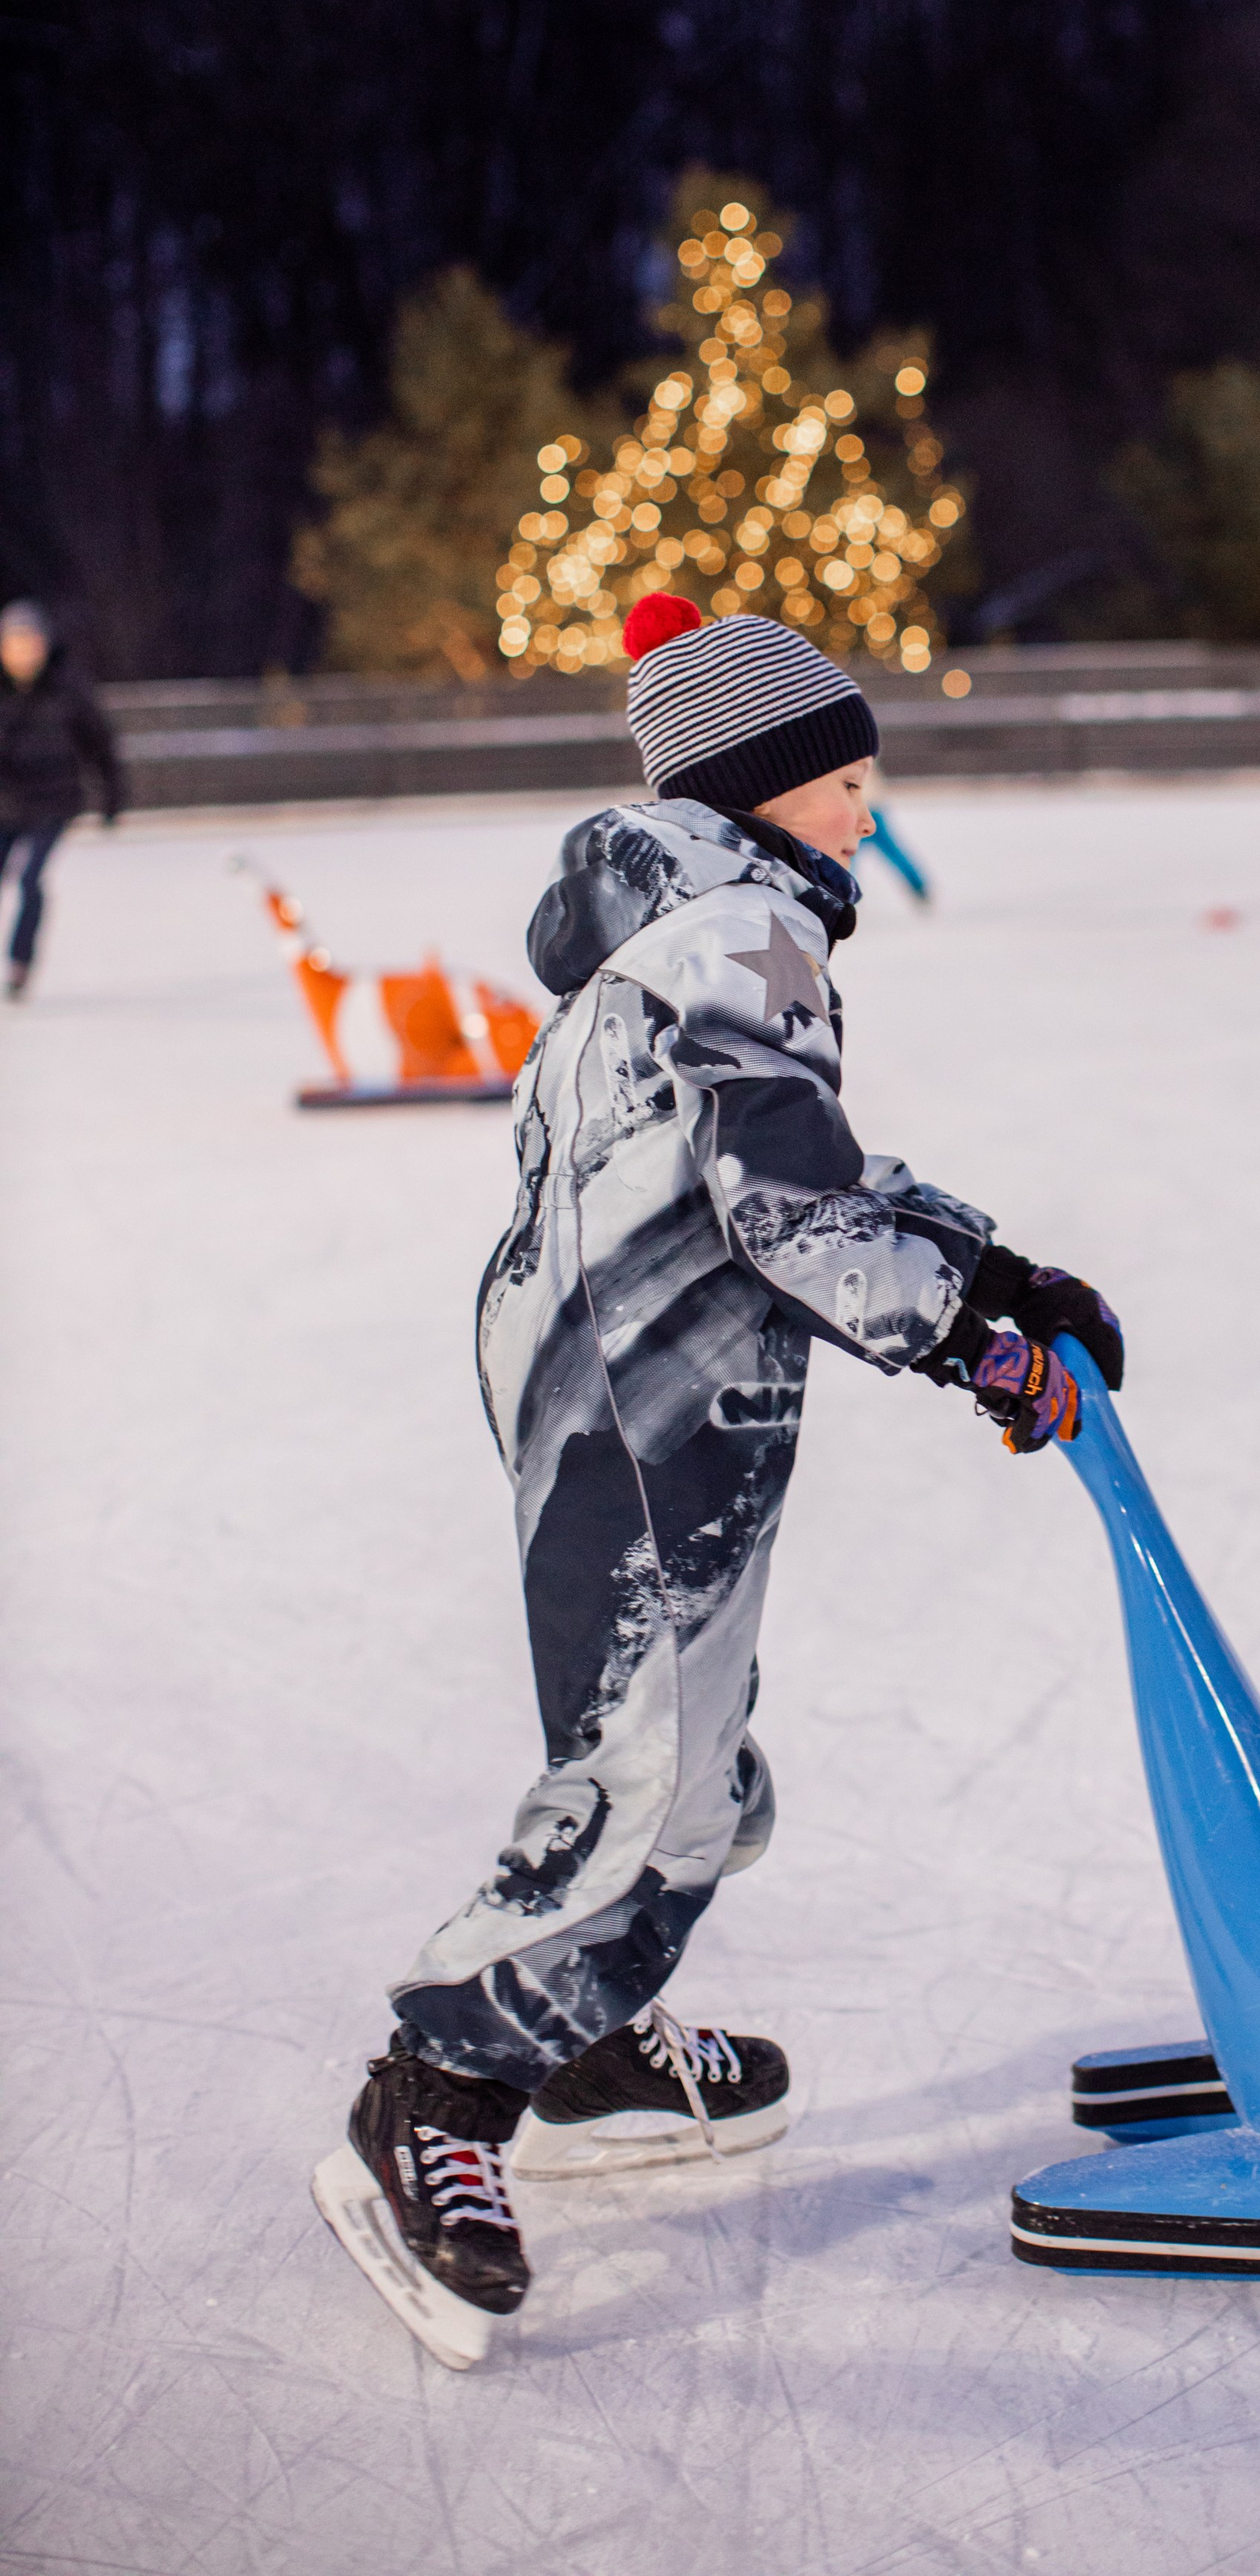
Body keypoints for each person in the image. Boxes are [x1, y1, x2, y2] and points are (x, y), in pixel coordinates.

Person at [314, 593, 1124, 2368]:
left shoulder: (669, 925)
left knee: (688, 1747)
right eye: (843, 776)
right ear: (761, 786)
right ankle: (440, 2085)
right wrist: (977, 1350)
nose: (864, 805)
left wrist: (985, 1267)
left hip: (604, 1371)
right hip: (651, 1386)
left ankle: (588, 2025)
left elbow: (788, 1163)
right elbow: (788, 1215)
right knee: (647, 1762)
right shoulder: (748, 928)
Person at [0, 598, 127, 998]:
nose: (21, 653)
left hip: (52, 804)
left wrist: (112, 798)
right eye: (12, 643)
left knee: (30, 878)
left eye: (28, 642)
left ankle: (21, 961)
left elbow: (101, 745)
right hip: (5, 805)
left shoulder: (68, 690)